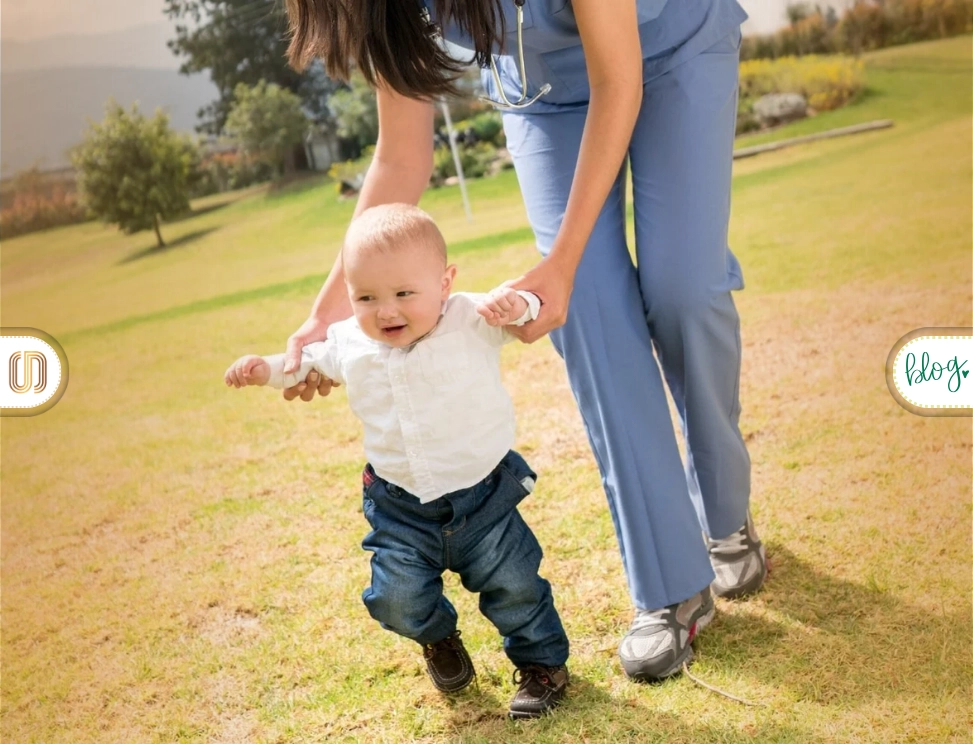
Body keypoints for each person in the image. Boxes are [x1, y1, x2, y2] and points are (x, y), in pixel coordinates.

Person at [280, 0, 768, 682]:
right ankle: (669, 586)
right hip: (544, 95)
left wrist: (561, 262)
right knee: (589, 313)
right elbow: (399, 157)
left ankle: (723, 510)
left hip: (671, 50)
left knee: (683, 289)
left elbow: (618, 81)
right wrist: (325, 318)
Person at [224, 204, 570, 719]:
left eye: (404, 294)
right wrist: (265, 370)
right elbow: (305, 364)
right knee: (395, 598)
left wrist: (518, 303)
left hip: (484, 499)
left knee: (516, 585)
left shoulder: (469, 318)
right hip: (400, 507)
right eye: (366, 298)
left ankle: (543, 666)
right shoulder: (349, 340)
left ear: (445, 283)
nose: (386, 311)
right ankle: (438, 637)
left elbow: (526, 310)